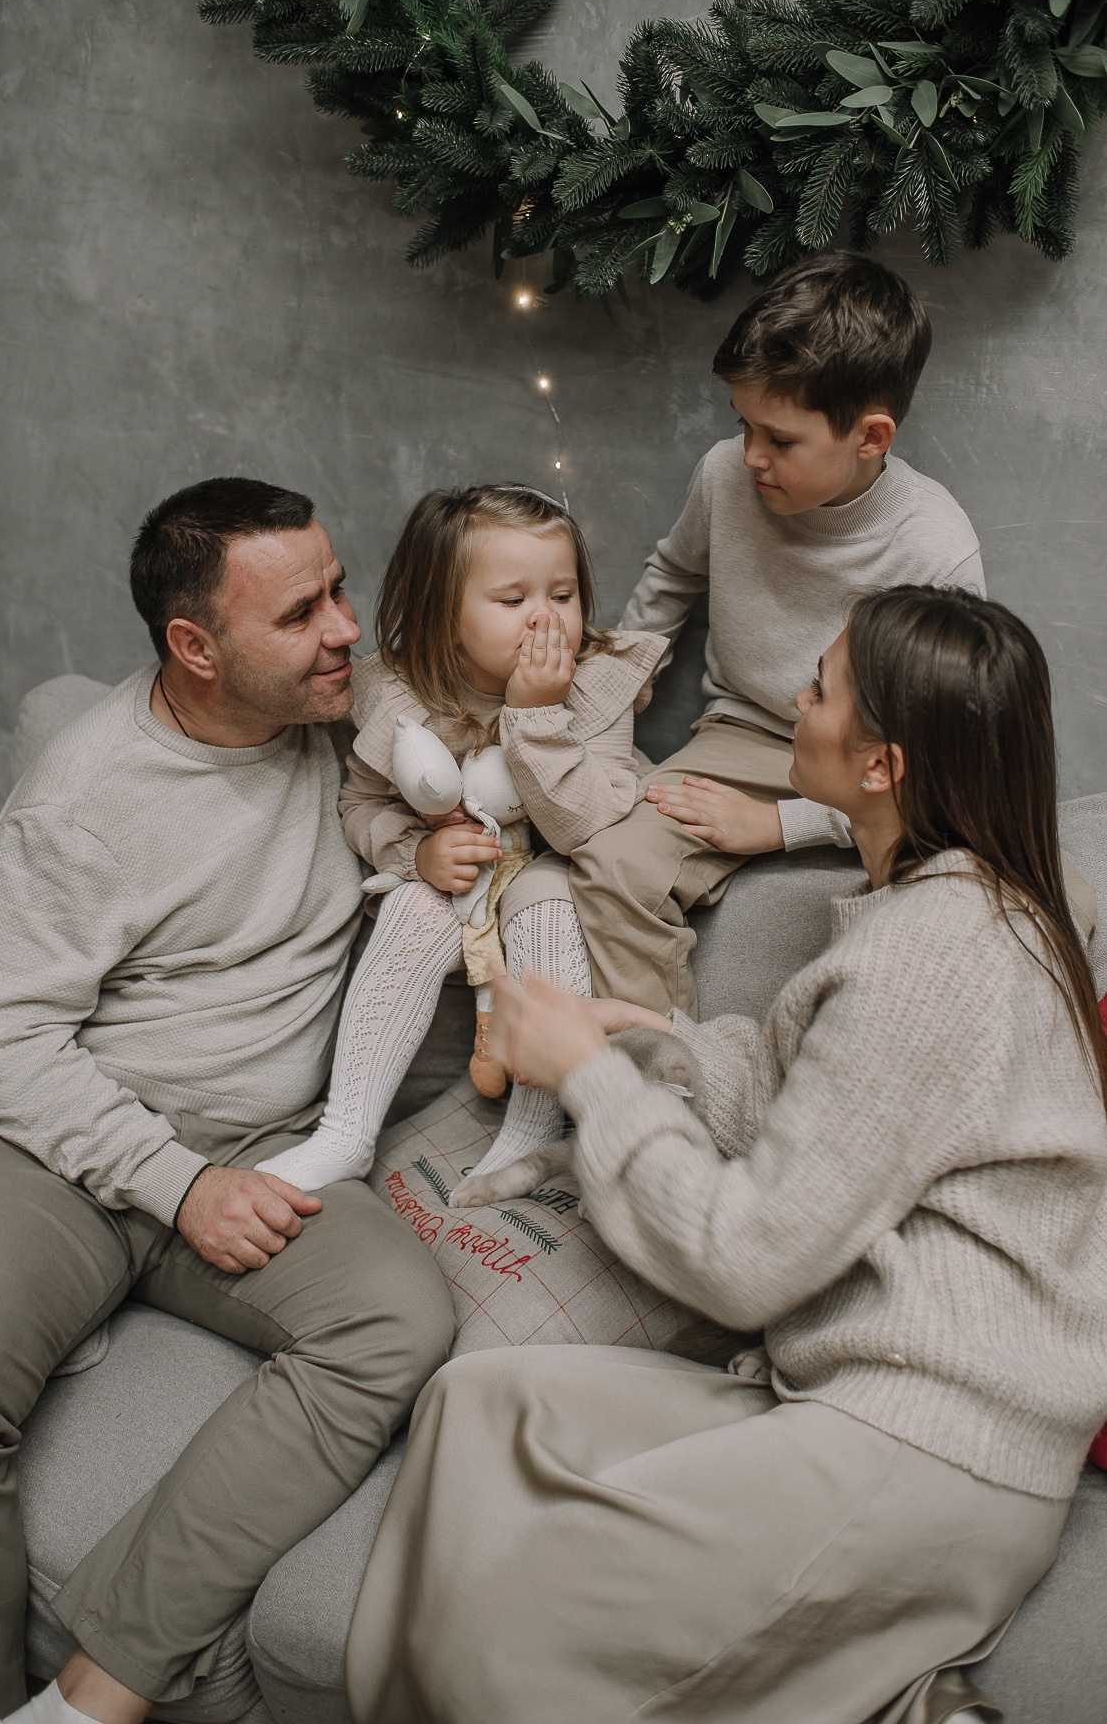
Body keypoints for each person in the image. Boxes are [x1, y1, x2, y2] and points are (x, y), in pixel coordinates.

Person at [345, 585, 1107, 1724]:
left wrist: (587, 1080)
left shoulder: (937, 952)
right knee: (479, 1404)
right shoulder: (940, 910)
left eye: (818, 689)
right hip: (853, 1395)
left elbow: (743, 1259)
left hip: (928, 1446)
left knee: (504, 1625)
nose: (791, 705)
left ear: (882, 765)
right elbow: (825, 1102)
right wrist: (645, 1040)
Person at [0, 478, 455, 1724]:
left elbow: (495, 690)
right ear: (193, 649)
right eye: (301, 612)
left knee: (393, 1325)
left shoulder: (346, 716)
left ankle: (88, 1694)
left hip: (270, 1143)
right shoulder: (83, 800)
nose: (343, 631)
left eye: (336, 588)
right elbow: (7, 1045)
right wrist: (178, 1187)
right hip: (60, 1138)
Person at [569, 250, 990, 1017]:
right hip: (742, 735)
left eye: (782, 439)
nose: (752, 455)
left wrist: (779, 826)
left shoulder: (934, 545)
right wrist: (606, 703)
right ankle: (662, 1083)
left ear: (870, 437)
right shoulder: (726, 474)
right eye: (743, 425)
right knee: (609, 858)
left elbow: (942, 757)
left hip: (880, 771)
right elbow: (671, 579)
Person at [257, 483, 664, 1200]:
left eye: (563, 595)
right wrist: (412, 853)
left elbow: (582, 826)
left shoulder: (597, 687)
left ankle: (532, 1131)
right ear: (446, 617)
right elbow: (359, 804)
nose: (545, 619)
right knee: (415, 904)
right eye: (513, 601)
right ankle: (347, 1132)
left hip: (552, 871)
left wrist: (536, 715)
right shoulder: (403, 691)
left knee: (549, 900)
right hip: (456, 886)